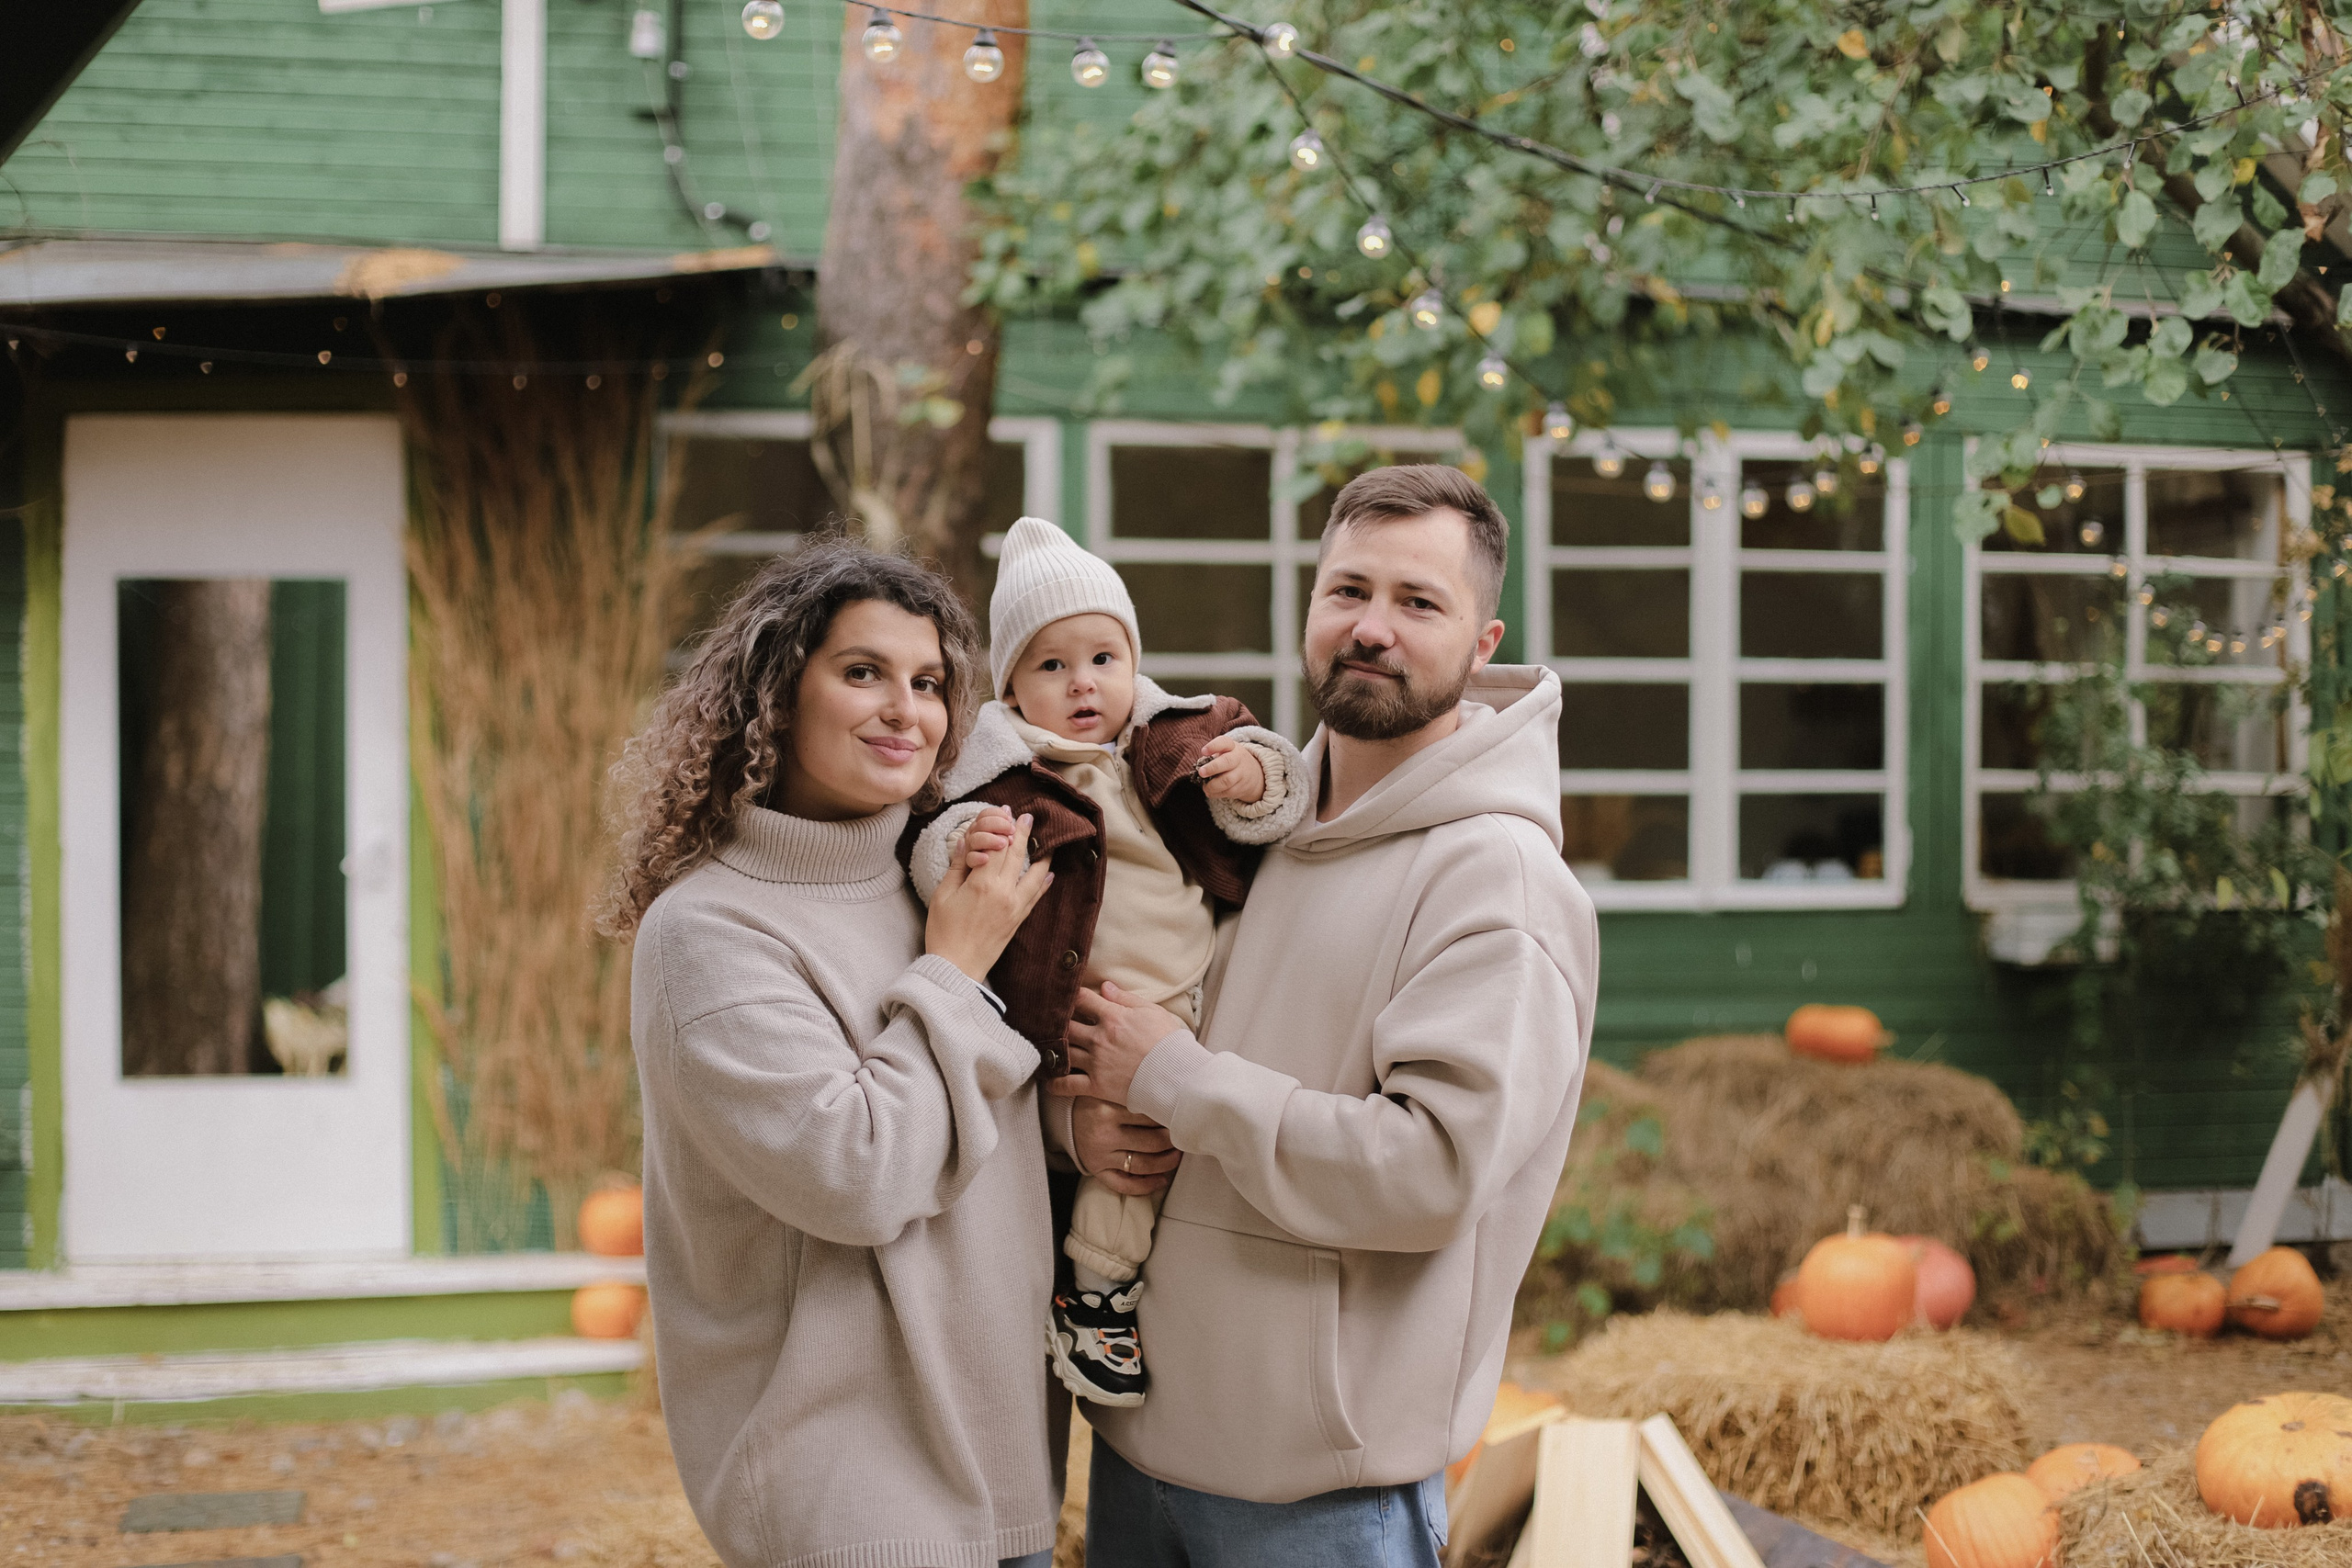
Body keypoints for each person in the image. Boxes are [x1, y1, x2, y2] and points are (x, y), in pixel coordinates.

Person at [1055, 466, 1600, 1567]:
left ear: (1482, 641)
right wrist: (1083, 1124)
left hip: (1316, 1496)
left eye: (1418, 602)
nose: (1373, 629)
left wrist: (1175, 1081)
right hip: (1137, 1450)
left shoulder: (1497, 879)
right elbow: (1141, 1049)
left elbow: (1429, 1171)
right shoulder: (1239, 826)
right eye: (1347, 591)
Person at [603, 537, 1066, 1568]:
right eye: (863, 673)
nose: (907, 710)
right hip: (846, 1492)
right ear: (776, 695)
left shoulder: (944, 882)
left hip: (1002, 1471)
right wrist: (952, 971)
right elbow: (856, 1176)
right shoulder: (711, 931)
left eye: (930, 682)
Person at [899, 518, 1310, 1407]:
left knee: (1210, 1141)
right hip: (1092, 1010)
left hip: (1204, 991)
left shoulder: (1182, 733)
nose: (1083, 684)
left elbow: (1281, 796)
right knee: (1129, 1155)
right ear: (1010, 687)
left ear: (1134, 660)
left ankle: (1172, 1301)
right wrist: (962, 850)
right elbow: (925, 852)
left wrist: (1252, 782)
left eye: (1102, 658)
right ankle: (1096, 1298)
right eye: (1051, 667)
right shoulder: (1000, 773)